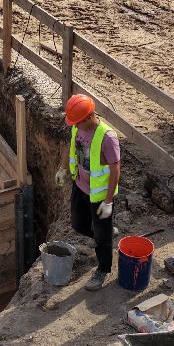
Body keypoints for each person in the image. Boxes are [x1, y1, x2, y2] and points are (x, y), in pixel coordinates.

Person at [55, 92, 121, 290]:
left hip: (99, 195)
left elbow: (115, 170)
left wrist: (108, 201)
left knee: (101, 235)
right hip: (80, 185)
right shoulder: (78, 128)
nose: (74, 126)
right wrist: (62, 169)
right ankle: (105, 236)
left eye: (77, 122)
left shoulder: (107, 137)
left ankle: (103, 269)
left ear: (89, 117)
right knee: (78, 224)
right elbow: (71, 148)